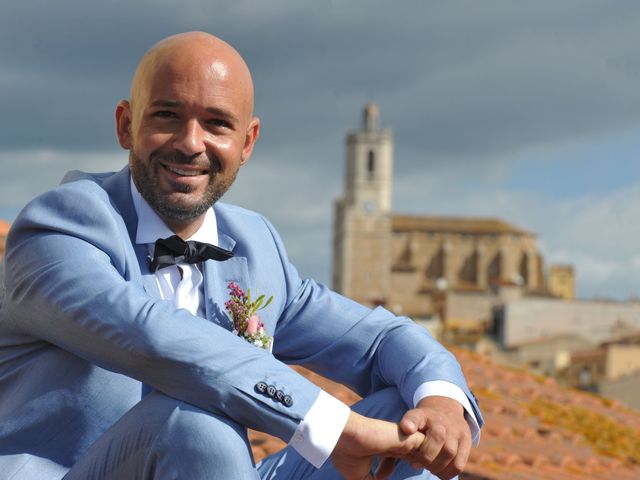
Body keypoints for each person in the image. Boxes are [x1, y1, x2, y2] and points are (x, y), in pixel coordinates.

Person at [0, 32, 482, 480]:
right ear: (127, 125)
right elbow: (155, 338)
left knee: (411, 423)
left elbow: (380, 341)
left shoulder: (254, 245)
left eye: (216, 124)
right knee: (196, 426)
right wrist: (336, 426)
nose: (191, 144)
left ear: (246, 142)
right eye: (167, 116)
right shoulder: (62, 226)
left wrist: (440, 402)